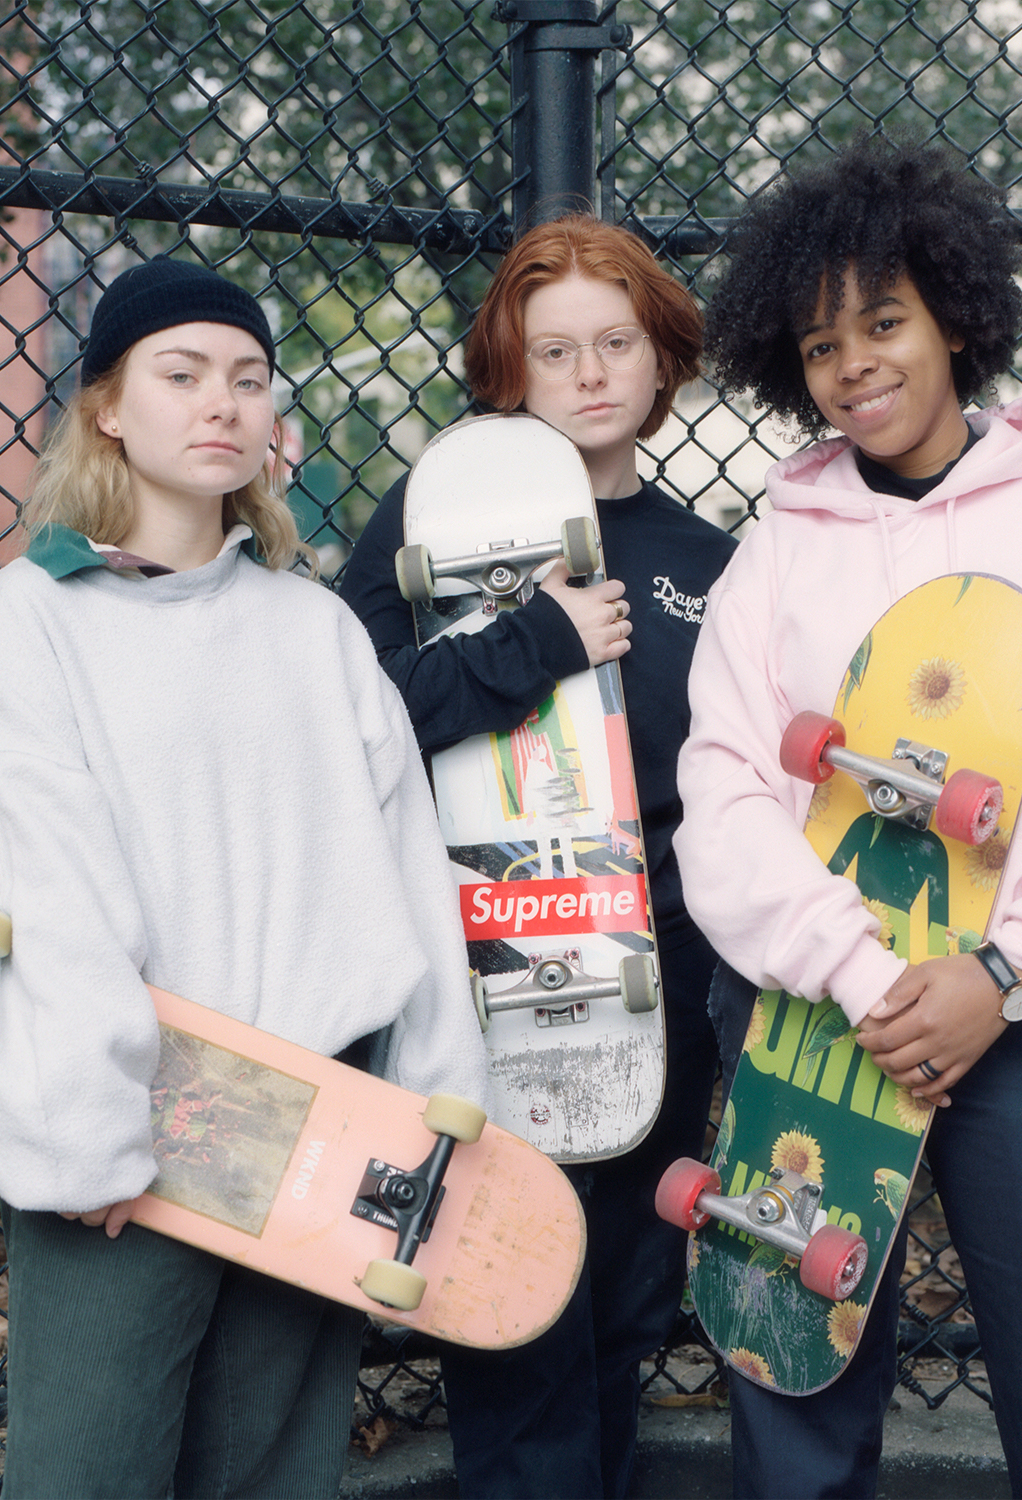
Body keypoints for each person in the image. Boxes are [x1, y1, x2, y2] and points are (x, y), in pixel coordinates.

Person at [0, 257, 489, 1500]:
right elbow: (52, 885)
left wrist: (430, 1110)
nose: (221, 404)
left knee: (267, 1473)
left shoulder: (315, 629)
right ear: (107, 407)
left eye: (248, 380)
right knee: (87, 1473)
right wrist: (90, 1136)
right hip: (137, 1123)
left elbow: (407, 879)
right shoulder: (36, 614)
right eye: (182, 374)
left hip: (314, 1121)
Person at [675, 135, 1022, 1500]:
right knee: (796, 1381)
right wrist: (873, 979)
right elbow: (723, 790)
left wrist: (998, 975)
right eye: (821, 345)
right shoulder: (776, 547)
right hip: (814, 1010)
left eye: (882, 322)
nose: (855, 365)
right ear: (790, 362)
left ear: (953, 313)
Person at [341, 215, 737, 1499]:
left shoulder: (706, 562)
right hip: (478, 983)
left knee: (621, 1319)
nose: (587, 373)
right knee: (504, 1309)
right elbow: (347, 719)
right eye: (550, 347)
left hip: (651, 989)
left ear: (659, 359)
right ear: (505, 368)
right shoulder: (431, 519)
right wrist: (532, 644)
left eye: (614, 341)